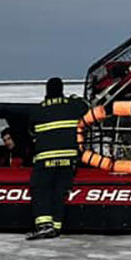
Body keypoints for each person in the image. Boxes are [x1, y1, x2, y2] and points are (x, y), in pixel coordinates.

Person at [26, 77, 89, 240]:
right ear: (62, 89)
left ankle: (44, 225)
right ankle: (56, 226)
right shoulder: (72, 105)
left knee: (40, 190)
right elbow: (86, 107)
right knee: (60, 192)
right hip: (69, 159)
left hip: (45, 159)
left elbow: (31, 132)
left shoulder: (38, 110)